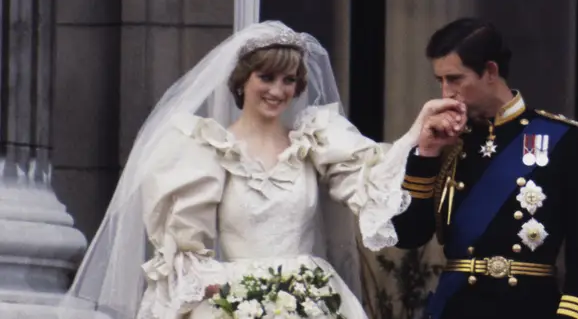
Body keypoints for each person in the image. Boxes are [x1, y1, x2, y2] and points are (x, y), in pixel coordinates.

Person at [55, 21, 447, 319]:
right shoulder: (204, 149)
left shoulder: (314, 141)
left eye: (289, 80)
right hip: (234, 304)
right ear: (243, 81)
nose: (278, 90)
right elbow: (185, 255)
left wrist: (417, 134)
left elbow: (374, 181)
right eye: (267, 77)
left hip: (311, 300)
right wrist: (235, 297)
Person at [392, 18, 578, 319]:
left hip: (529, 308)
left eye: (454, 79)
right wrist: (426, 154)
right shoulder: (447, 140)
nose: (445, 93)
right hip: (457, 308)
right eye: (439, 81)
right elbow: (407, 235)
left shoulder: (562, 139)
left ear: (490, 71)